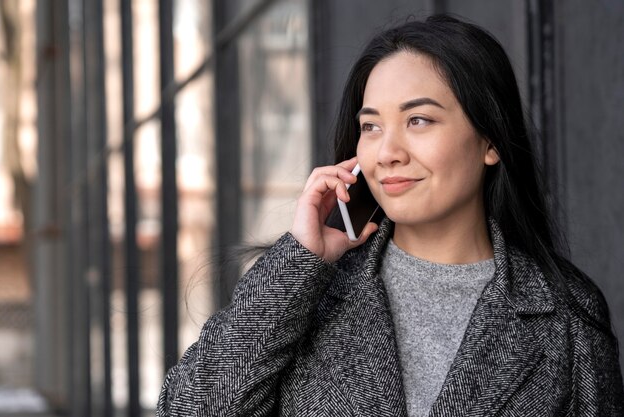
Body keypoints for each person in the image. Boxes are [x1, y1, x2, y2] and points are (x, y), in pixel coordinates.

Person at [157, 14, 624, 416]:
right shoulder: (310, 289)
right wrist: (300, 261)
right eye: (371, 126)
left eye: (418, 120)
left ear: (491, 141)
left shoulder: (565, 316)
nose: (387, 152)